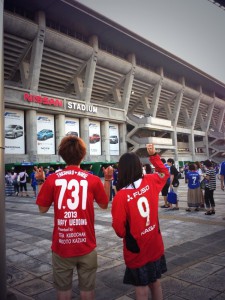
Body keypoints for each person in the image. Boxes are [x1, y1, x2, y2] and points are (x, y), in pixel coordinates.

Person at [35, 135, 113, 300]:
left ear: (62, 155)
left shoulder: (53, 179)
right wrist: (107, 179)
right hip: (87, 244)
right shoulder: (92, 179)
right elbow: (104, 204)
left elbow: (42, 209)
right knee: (87, 291)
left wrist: (41, 182)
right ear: (83, 155)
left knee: (63, 292)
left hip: (62, 245)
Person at [111, 144, 170, 300]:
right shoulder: (151, 181)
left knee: (141, 288)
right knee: (155, 282)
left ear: (121, 170)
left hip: (136, 249)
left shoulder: (121, 196)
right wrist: (154, 156)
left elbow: (119, 229)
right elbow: (165, 173)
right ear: (139, 166)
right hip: (155, 243)